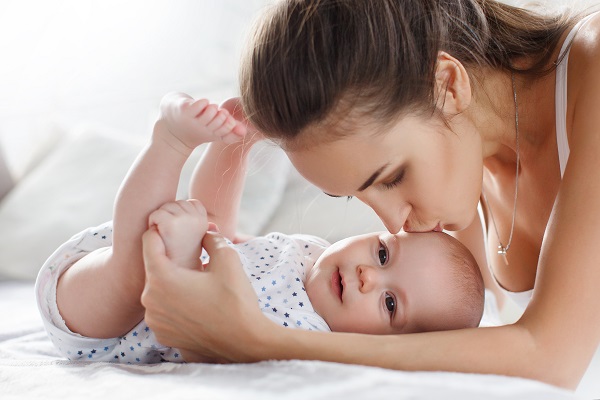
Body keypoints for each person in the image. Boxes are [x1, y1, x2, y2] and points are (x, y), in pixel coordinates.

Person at [137, 0, 600, 390]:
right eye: (353, 195)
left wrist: (253, 340)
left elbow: (551, 359)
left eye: (393, 177)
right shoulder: (468, 156)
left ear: (448, 84)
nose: (394, 224)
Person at [35, 92, 484, 363]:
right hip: (100, 265)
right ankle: (189, 140)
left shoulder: (304, 336)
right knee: (152, 243)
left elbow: (206, 345)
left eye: (390, 303)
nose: (369, 276)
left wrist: (188, 258)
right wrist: (235, 149)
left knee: (138, 264)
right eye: (383, 254)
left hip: (104, 325)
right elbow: (219, 230)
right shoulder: (308, 253)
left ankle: (170, 143)